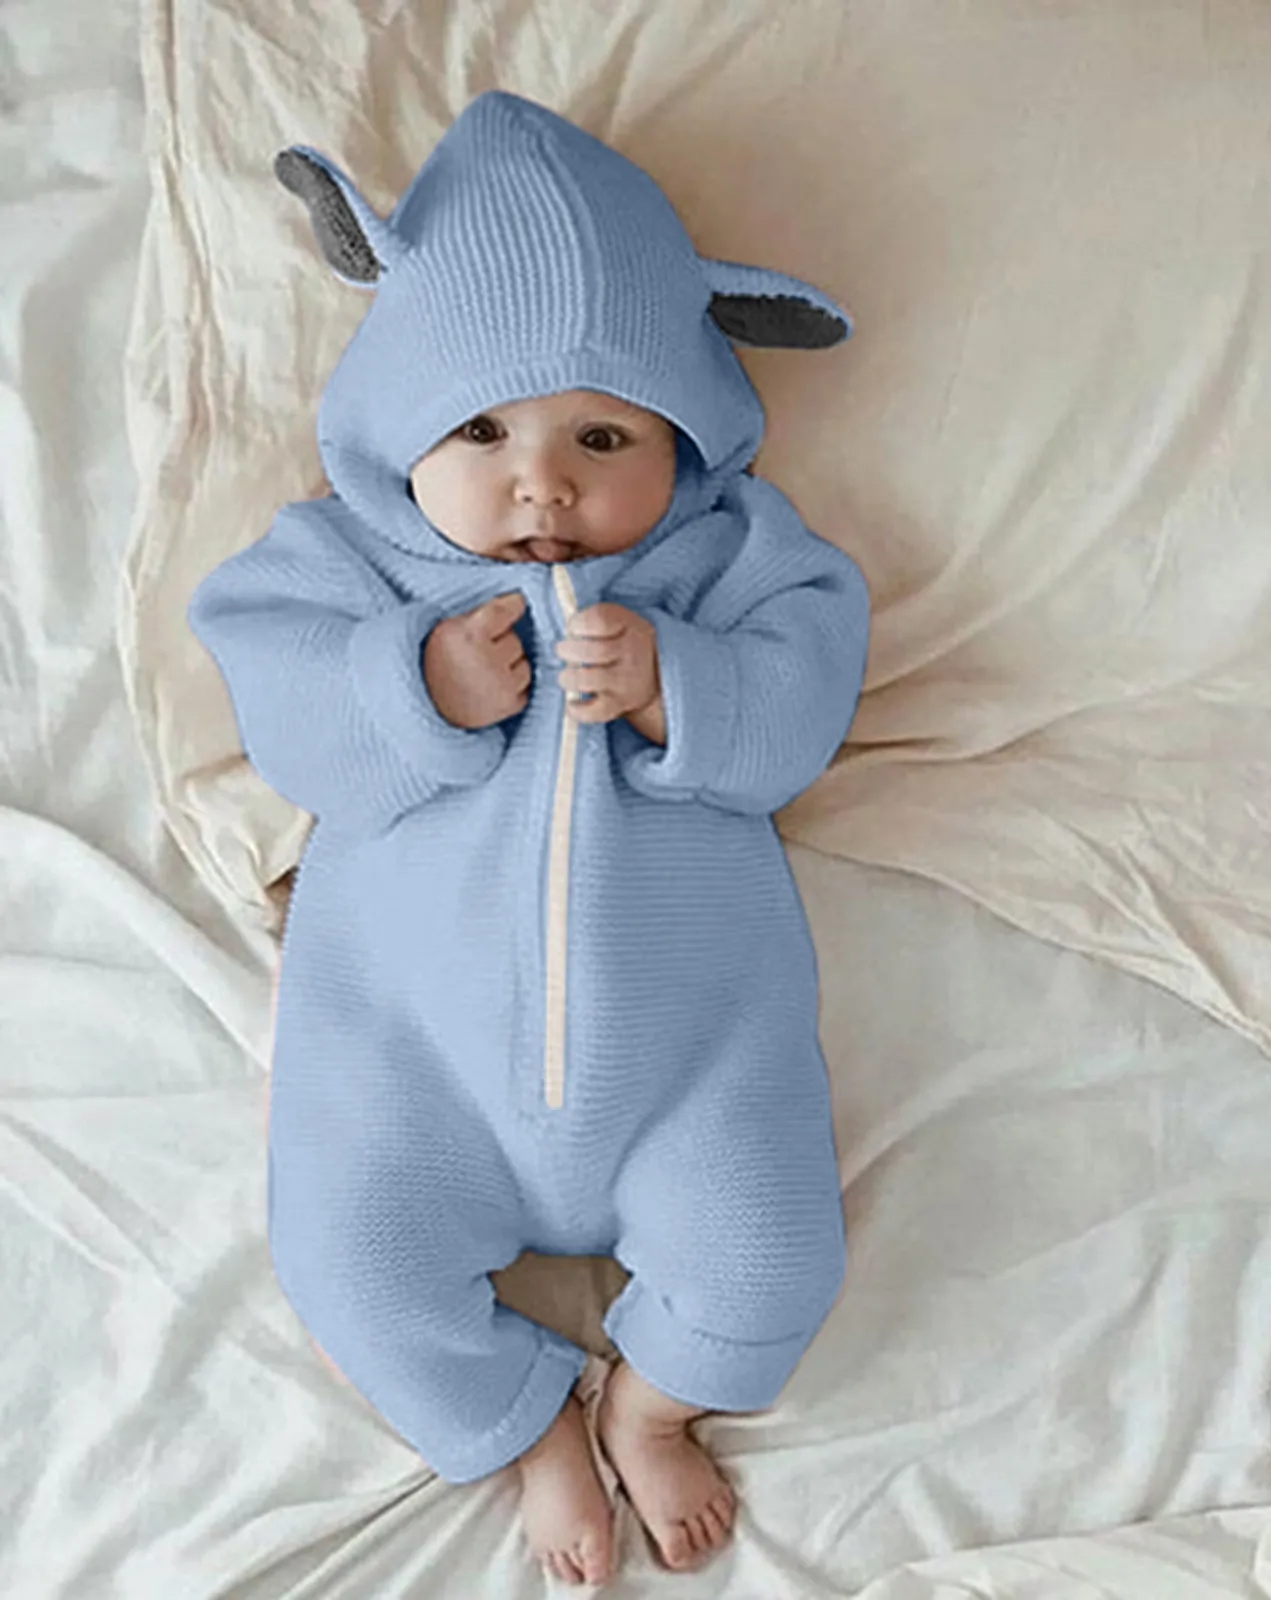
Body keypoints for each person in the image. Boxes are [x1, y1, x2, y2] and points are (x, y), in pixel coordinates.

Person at [187, 89, 870, 1588]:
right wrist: (411, 689)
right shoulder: (344, 568)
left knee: (773, 1263)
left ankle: (650, 1404)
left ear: (685, 437)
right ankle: (527, 1427)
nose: (541, 480)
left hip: (691, 1070)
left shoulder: (734, 561)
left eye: (601, 434)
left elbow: (806, 698)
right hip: (414, 1072)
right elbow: (281, 700)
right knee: (348, 1263)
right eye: (482, 429)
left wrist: (685, 687)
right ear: (398, 428)